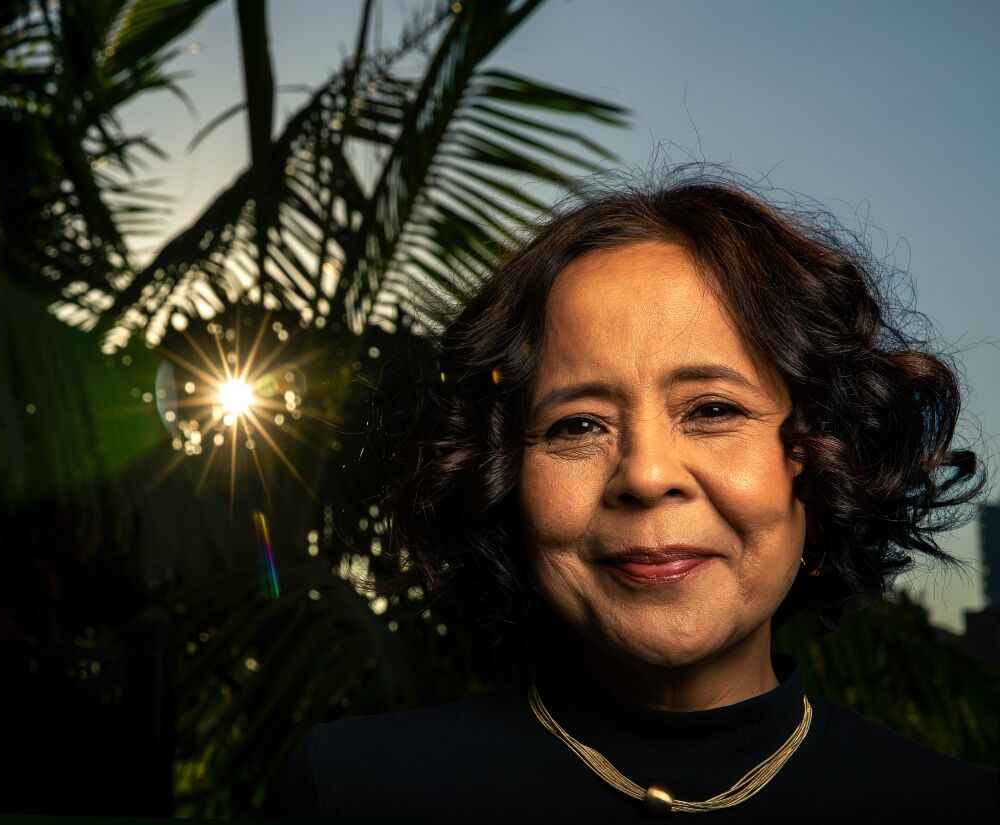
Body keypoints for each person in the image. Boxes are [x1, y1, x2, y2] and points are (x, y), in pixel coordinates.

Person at [265, 169, 998, 823]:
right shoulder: (353, 793)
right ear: (502, 474)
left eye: (713, 409)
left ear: (819, 451)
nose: (646, 475)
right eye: (577, 424)